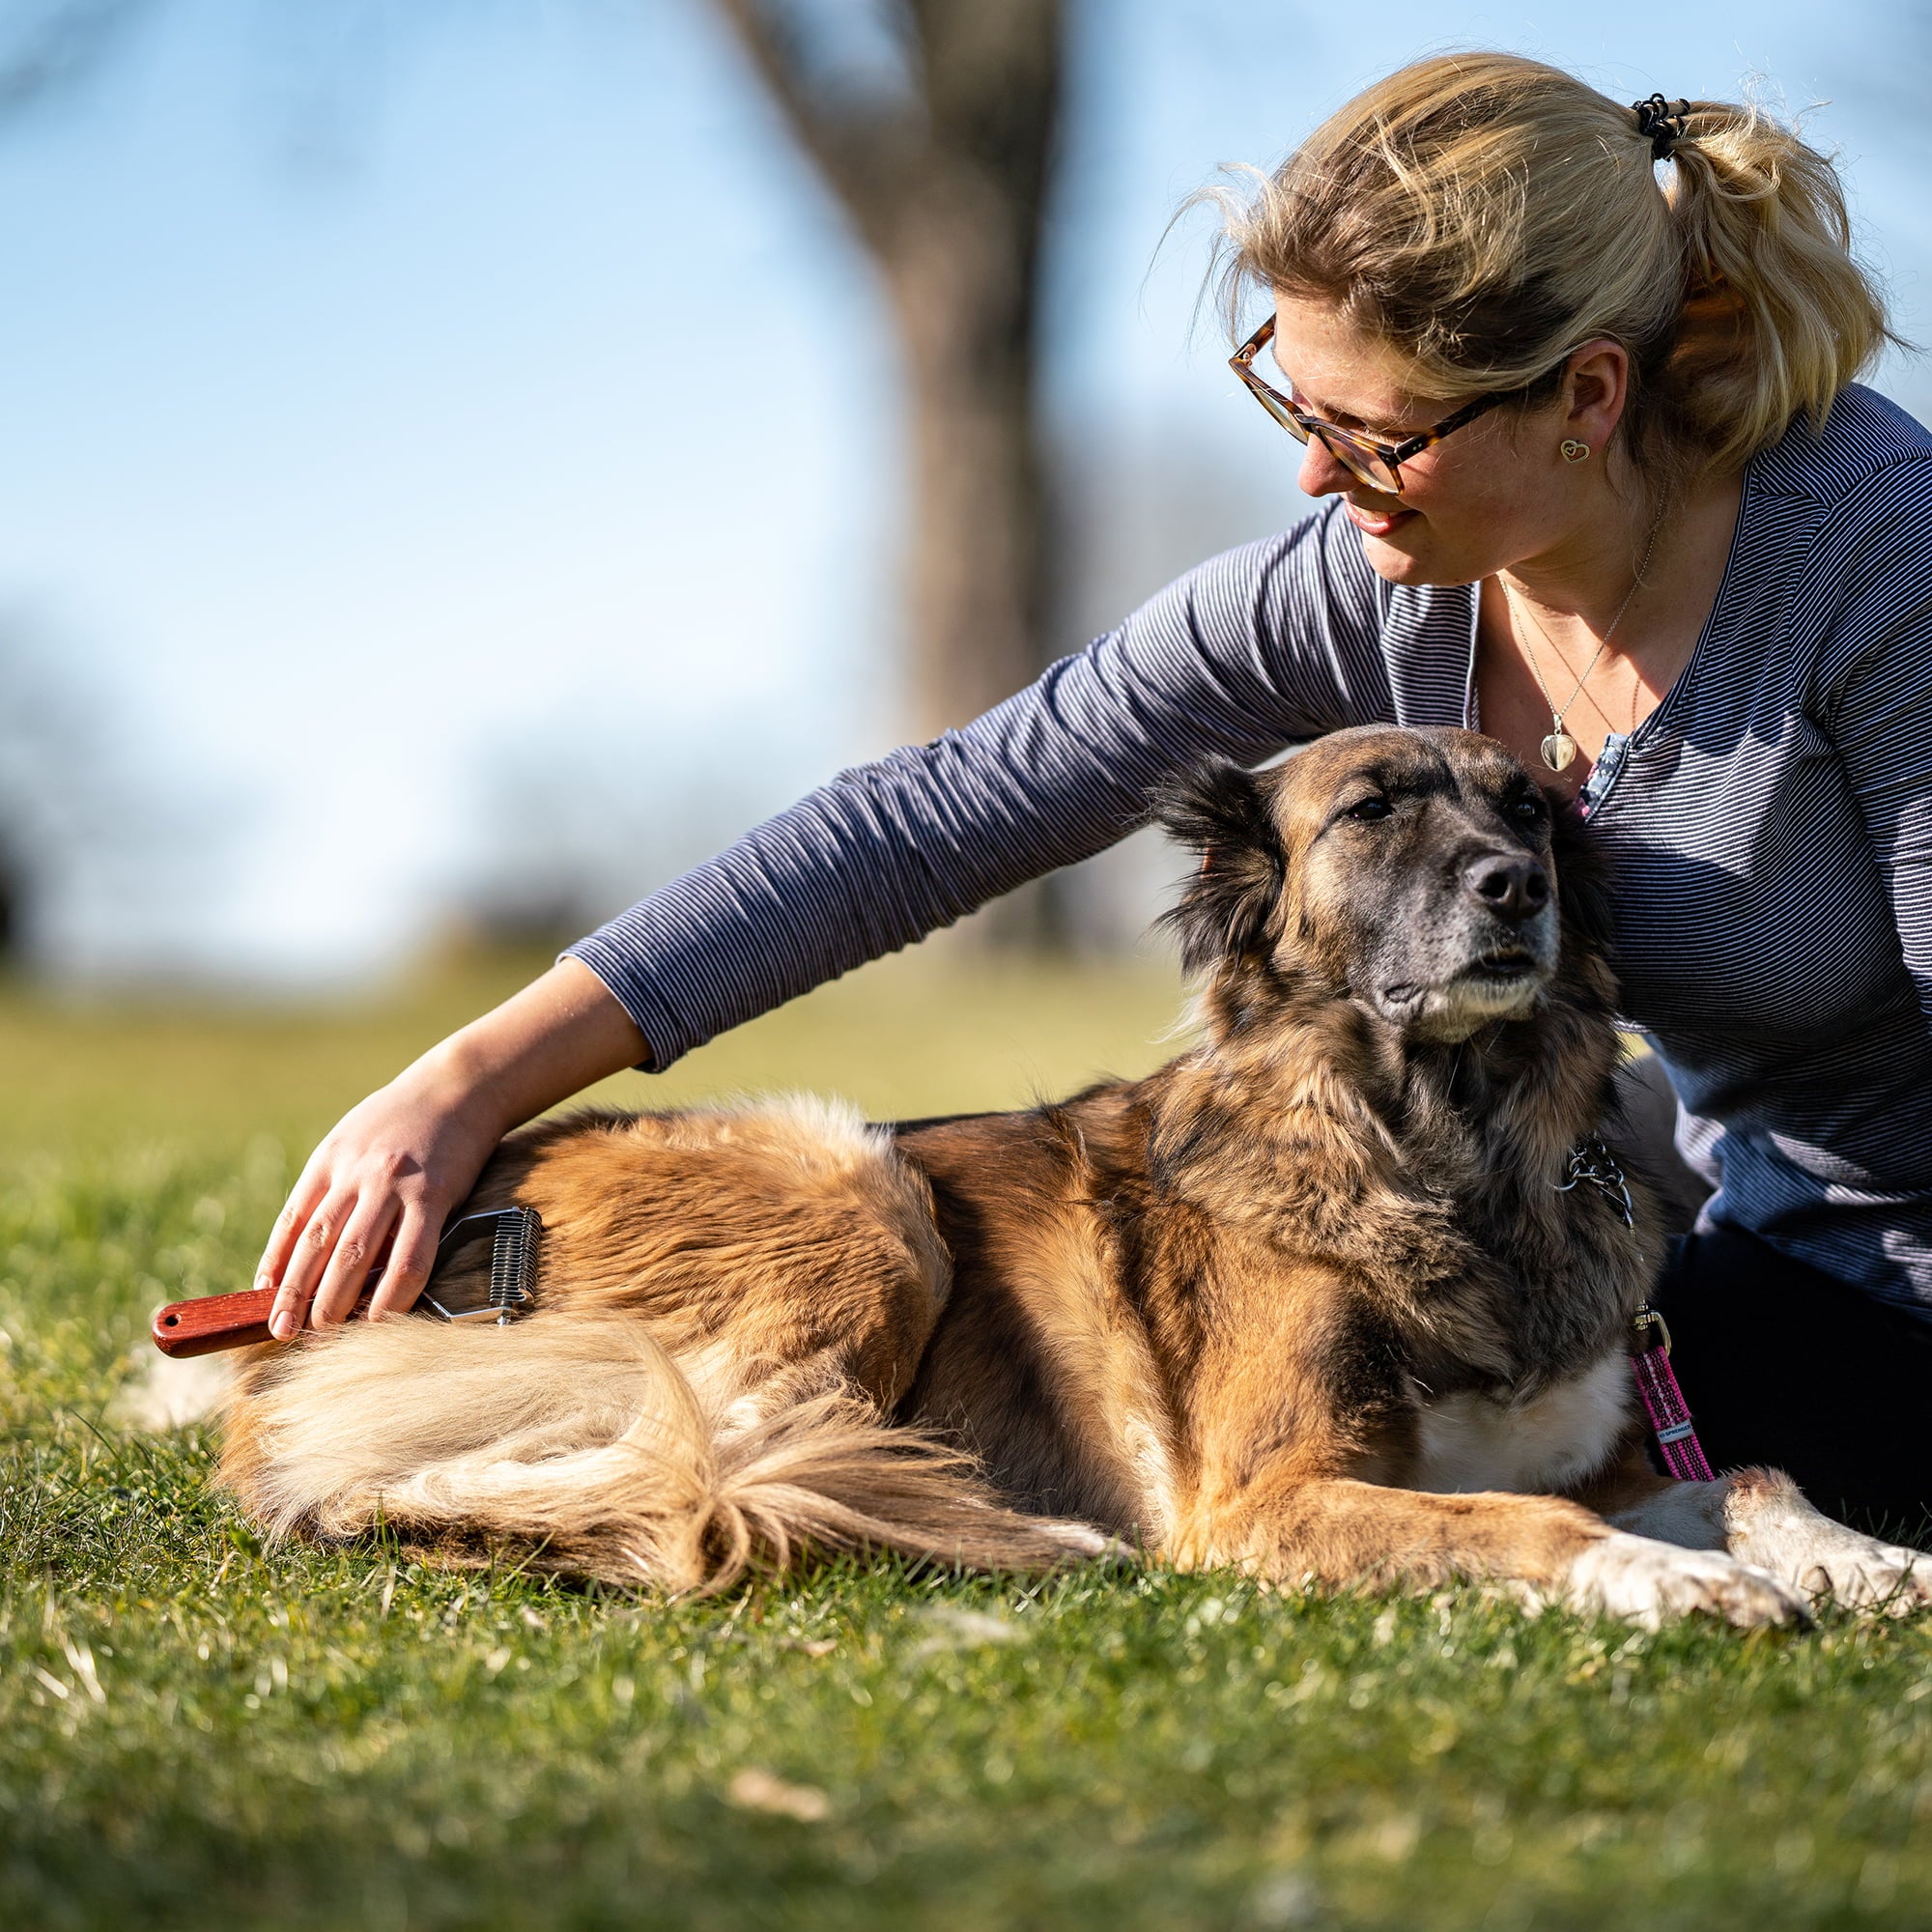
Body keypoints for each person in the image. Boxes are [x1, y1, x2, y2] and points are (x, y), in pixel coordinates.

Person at [253, 53, 1932, 1528]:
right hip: (1729, 1233)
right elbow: (943, 812)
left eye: (1379, 432)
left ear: (1587, 394)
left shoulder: (1874, 555)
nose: (1311, 470)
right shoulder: (1372, 574)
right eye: (1289, 390)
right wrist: (470, 1080)